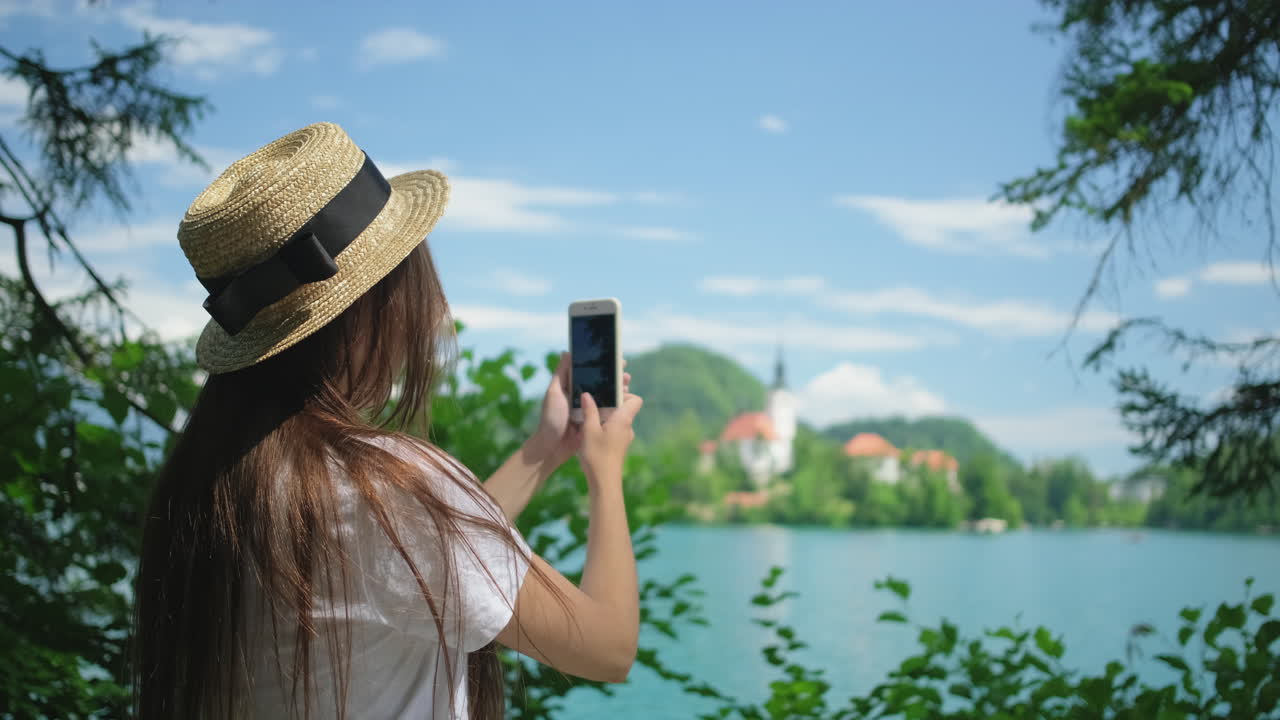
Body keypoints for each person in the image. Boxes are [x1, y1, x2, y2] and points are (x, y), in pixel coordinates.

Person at [133, 122, 644, 719]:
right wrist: (604, 474)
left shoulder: (215, 478)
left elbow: (412, 556)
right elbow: (608, 648)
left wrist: (544, 450)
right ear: (375, 303)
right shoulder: (388, 483)